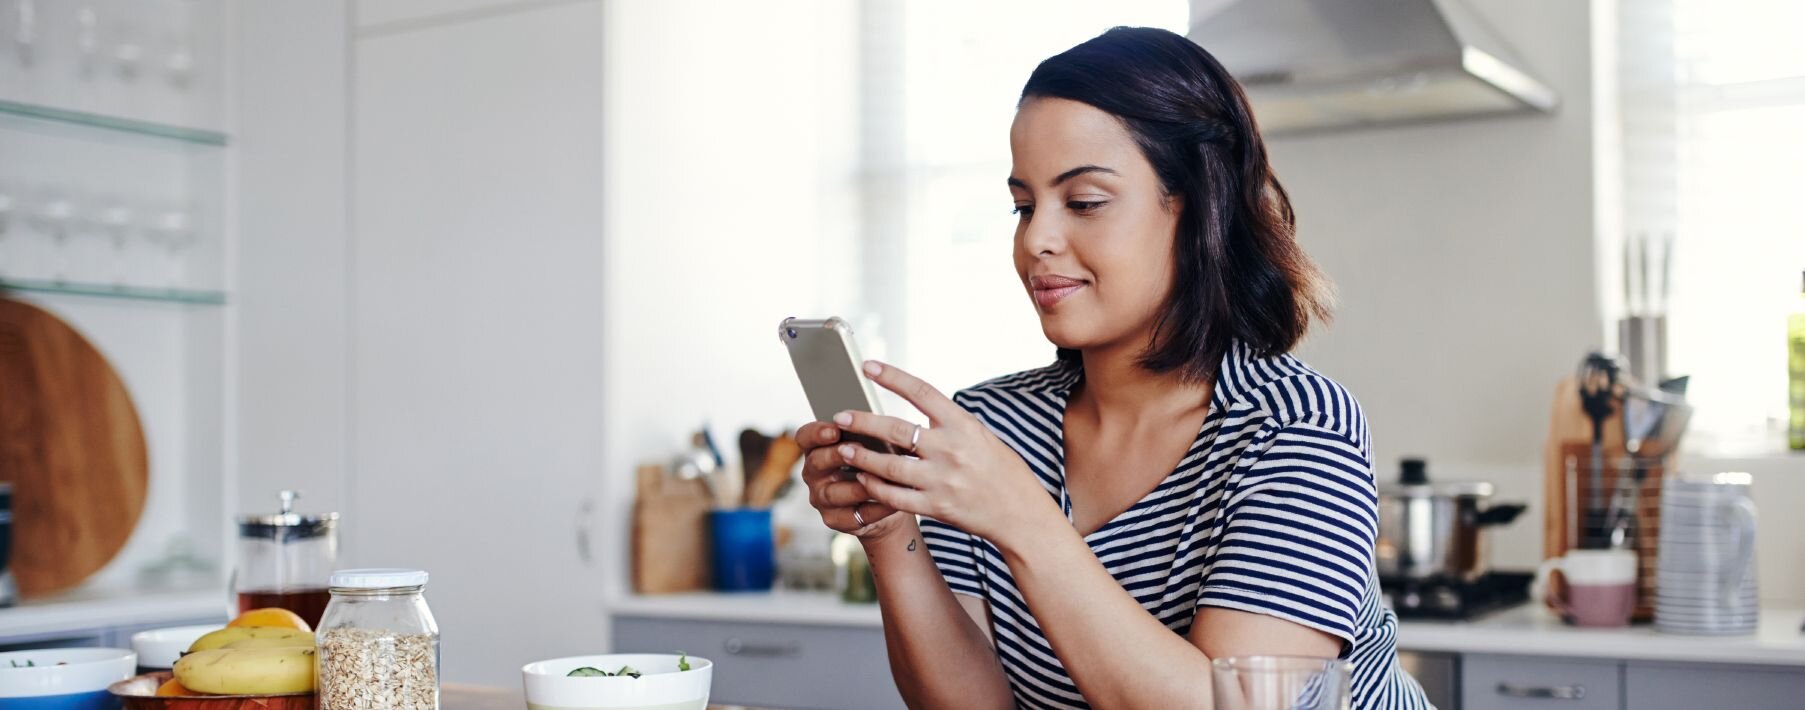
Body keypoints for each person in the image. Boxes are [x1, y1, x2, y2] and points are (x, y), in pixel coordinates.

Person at [799, 26, 1432, 709]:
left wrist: (1022, 519)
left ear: (1197, 210)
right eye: (1022, 206)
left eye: (1085, 202)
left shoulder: (1293, 427)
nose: (1035, 239)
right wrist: (888, 529)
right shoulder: (989, 427)